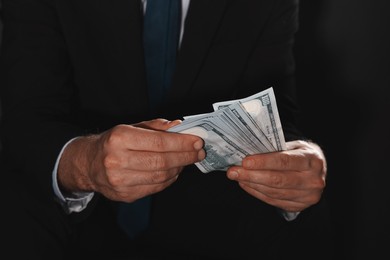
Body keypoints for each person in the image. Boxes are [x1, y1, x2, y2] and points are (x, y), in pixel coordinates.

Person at [0, 0, 334, 259]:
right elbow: (26, 115)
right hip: (69, 226)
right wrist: (85, 164)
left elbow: (278, 111)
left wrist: (300, 163)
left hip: (216, 223)